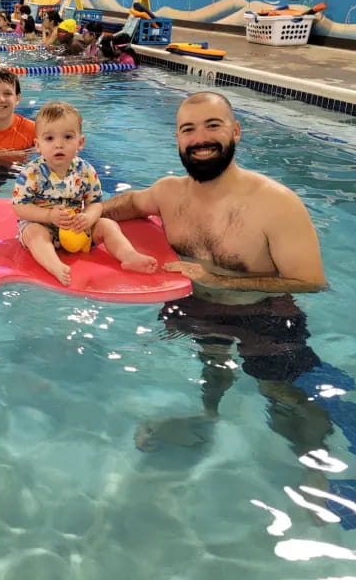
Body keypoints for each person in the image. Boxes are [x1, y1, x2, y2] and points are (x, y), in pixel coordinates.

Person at [101, 92, 331, 463]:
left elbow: (311, 282)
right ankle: (210, 413)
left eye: (212, 125)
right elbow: (127, 204)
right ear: (177, 138)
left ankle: (315, 465)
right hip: (196, 306)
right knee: (213, 364)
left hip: (263, 313)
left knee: (278, 392)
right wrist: (83, 213)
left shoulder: (277, 203)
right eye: (188, 129)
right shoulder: (168, 192)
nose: (200, 138)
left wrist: (222, 281)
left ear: (235, 131)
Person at [12, 101, 158, 286]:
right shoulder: (32, 173)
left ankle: (128, 255)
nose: (59, 144)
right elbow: (20, 207)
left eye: (67, 137)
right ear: (38, 145)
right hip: (42, 224)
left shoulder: (86, 171)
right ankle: (54, 265)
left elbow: (95, 203)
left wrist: (88, 218)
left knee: (107, 224)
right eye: (49, 138)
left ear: (80, 142)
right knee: (33, 233)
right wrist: (48, 216)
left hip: (77, 228)